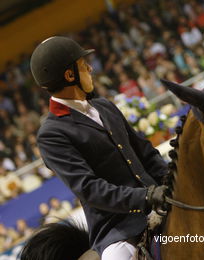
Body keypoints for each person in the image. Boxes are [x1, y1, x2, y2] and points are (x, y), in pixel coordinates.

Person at [29, 36, 169, 260]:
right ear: (70, 75)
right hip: (120, 228)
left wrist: (170, 180)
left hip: (163, 201)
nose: (91, 69)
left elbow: (145, 152)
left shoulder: (104, 106)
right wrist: (146, 197)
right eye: (85, 66)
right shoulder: (52, 134)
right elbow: (90, 189)